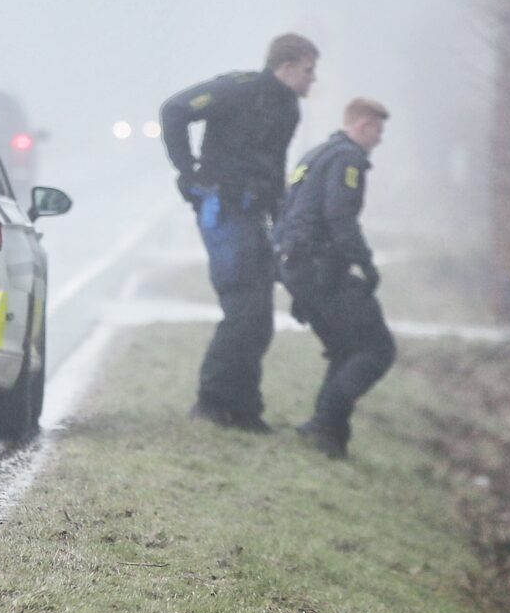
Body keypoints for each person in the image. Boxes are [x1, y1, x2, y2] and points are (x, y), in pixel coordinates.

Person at [160, 33, 319, 430]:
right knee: (243, 309)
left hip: (255, 217)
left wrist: (281, 222)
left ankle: (246, 411)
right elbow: (174, 110)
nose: (312, 79)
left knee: (260, 317)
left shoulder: (289, 108)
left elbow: (274, 167)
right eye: (308, 70)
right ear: (286, 67)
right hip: (224, 212)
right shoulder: (237, 90)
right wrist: (188, 171)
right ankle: (210, 404)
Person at [277, 97, 397, 457]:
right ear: (363, 125)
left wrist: (292, 276)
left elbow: (287, 211)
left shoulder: (313, 156)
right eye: (377, 131)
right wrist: (365, 263)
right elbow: (340, 216)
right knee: (376, 349)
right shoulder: (348, 160)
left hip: (300, 267)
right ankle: (326, 425)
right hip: (320, 268)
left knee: (346, 348)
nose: (379, 140)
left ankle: (327, 430)